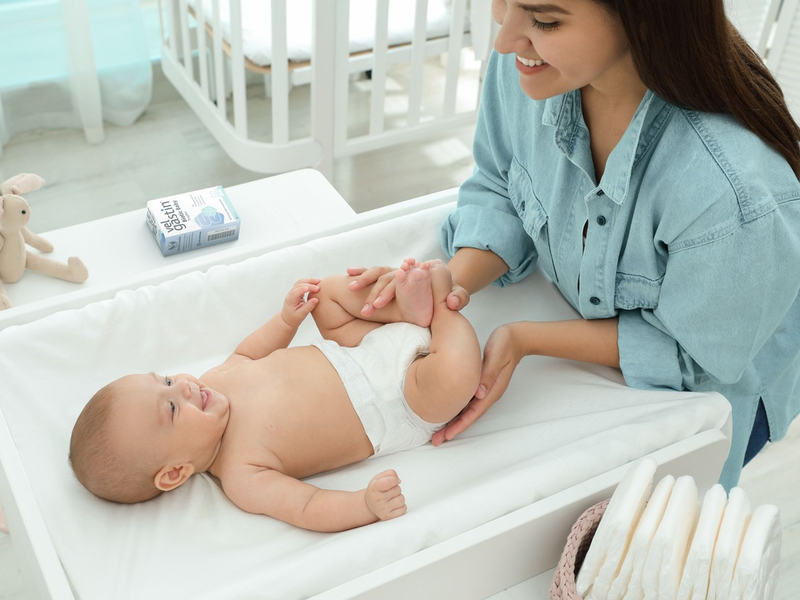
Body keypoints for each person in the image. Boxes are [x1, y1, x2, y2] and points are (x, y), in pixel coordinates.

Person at [348, 0, 800, 490]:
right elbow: (502, 185)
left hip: (714, 387)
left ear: (642, 18)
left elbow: (693, 355)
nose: (504, 39)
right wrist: (446, 284)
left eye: (545, 21)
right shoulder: (530, 65)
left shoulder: (731, 193)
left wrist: (527, 338)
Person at [69, 260, 481, 532]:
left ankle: (409, 315)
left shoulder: (215, 379)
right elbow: (306, 506)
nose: (183, 385)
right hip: (402, 400)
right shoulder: (241, 475)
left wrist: (287, 320)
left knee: (328, 293)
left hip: (356, 344)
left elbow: (249, 351)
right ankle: (441, 309)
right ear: (175, 473)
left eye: (164, 380)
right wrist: (365, 505)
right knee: (455, 377)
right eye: (173, 407)